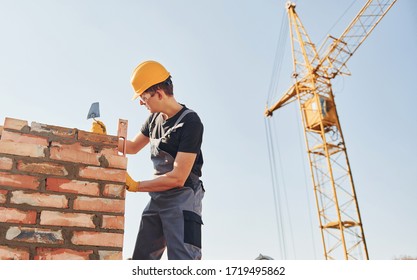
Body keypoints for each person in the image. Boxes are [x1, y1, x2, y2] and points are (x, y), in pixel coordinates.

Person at [119, 60, 205, 260]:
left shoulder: (190, 122)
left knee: (182, 260)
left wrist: (136, 185)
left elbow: (177, 178)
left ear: (159, 93)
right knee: (142, 260)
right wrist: (104, 140)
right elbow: (131, 147)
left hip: (183, 197)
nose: (141, 102)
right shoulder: (153, 119)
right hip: (158, 197)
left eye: (143, 96)